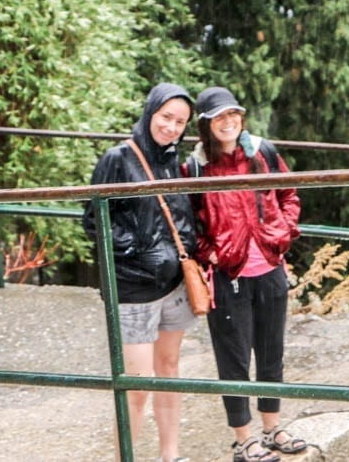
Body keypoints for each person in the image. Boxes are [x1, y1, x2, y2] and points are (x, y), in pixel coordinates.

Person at [183, 86, 306, 462]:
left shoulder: (262, 153)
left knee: (272, 353)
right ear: (206, 123)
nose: (229, 122)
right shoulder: (195, 168)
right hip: (227, 274)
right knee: (233, 358)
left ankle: (272, 429)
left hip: (269, 266)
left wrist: (282, 233)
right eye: (220, 117)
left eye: (233, 114)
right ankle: (244, 439)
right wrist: (212, 253)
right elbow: (188, 223)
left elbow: (289, 196)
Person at [82, 82, 197, 462]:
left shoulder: (173, 161)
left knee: (169, 371)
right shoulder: (118, 158)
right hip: (133, 288)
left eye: (180, 121)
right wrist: (136, 249)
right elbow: (94, 219)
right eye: (166, 117)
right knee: (136, 386)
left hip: (172, 284)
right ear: (150, 112)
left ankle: (170, 455)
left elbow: (180, 214)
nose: (171, 127)